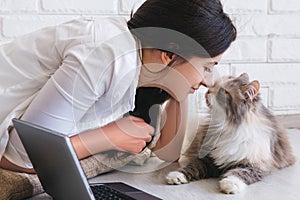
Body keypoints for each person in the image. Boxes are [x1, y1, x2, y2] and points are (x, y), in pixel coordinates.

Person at [0, 0, 236, 174]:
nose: (208, 81)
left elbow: (168, 154)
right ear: (167, 54)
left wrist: (179, 86)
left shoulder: (144, 64)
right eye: (207, 66)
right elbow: (23, 159)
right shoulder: (105, 55)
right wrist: (108, 137)